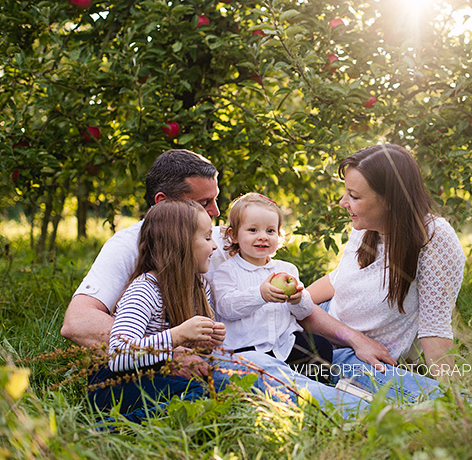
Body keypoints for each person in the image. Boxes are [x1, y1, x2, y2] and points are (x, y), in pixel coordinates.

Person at [61, 149, 368, 420]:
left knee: (332, 328)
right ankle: (356, 410)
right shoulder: (135, 260)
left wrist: (353, 338)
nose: (218, 218)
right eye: (205, 202)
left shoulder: (222, 240)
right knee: (258, 371)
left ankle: (364, 396)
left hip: (243, 347)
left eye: (217, 199)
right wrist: (175, 347)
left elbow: (299, 308)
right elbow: (78, 324)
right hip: (155, 369)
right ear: (165, 205)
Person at [303, 143, 466, 400]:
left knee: (444, 401)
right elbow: (336, 281)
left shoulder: (434, 238)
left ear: (390, 200)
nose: (343, 203)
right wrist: (294, 303)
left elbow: (434, 328)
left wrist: (451, 391)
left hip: (362, 357)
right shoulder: (365, 227)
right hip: (329, 328)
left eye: (354, 196)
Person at [91, 200, 227, 420]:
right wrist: (179, 334)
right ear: (180, 242)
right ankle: (114, 428)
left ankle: (164, 417)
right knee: (205, 392)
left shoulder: (201, 288)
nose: (214, 246)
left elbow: (187, 358)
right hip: (116, 383)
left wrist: (203, 344)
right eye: (207, 237)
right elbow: (117, 356)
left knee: (219, 384)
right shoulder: (145, 290)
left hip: (159, 378)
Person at [213, 193, 333, 382]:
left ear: (279, 235)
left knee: (321, 347)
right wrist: (259, 295)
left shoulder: (286, 269)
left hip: (284, 343)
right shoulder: (226, 271)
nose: (263, 237)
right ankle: (277, 390)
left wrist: (298, 299)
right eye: (253, 230)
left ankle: (315, 390)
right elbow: (225, 308)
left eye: (270, 231)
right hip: (246, 347)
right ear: (233, 235)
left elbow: (305, 312)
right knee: (251, 371)